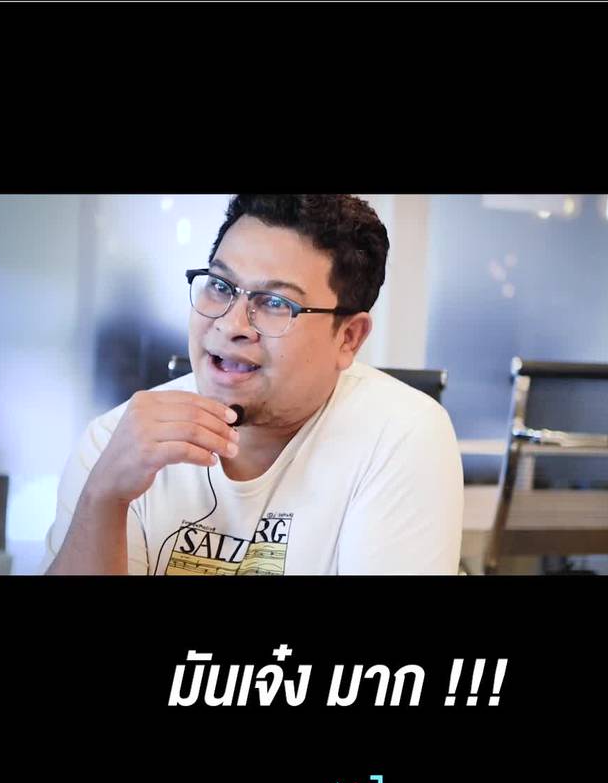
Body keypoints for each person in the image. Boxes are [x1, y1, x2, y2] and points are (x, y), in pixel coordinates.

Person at [43, 194, 464, 575]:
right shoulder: (117, 440)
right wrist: (103, 499)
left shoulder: (399, 436)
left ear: (348, 338)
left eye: (276, 303)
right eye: (220, 286)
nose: (231, 325)